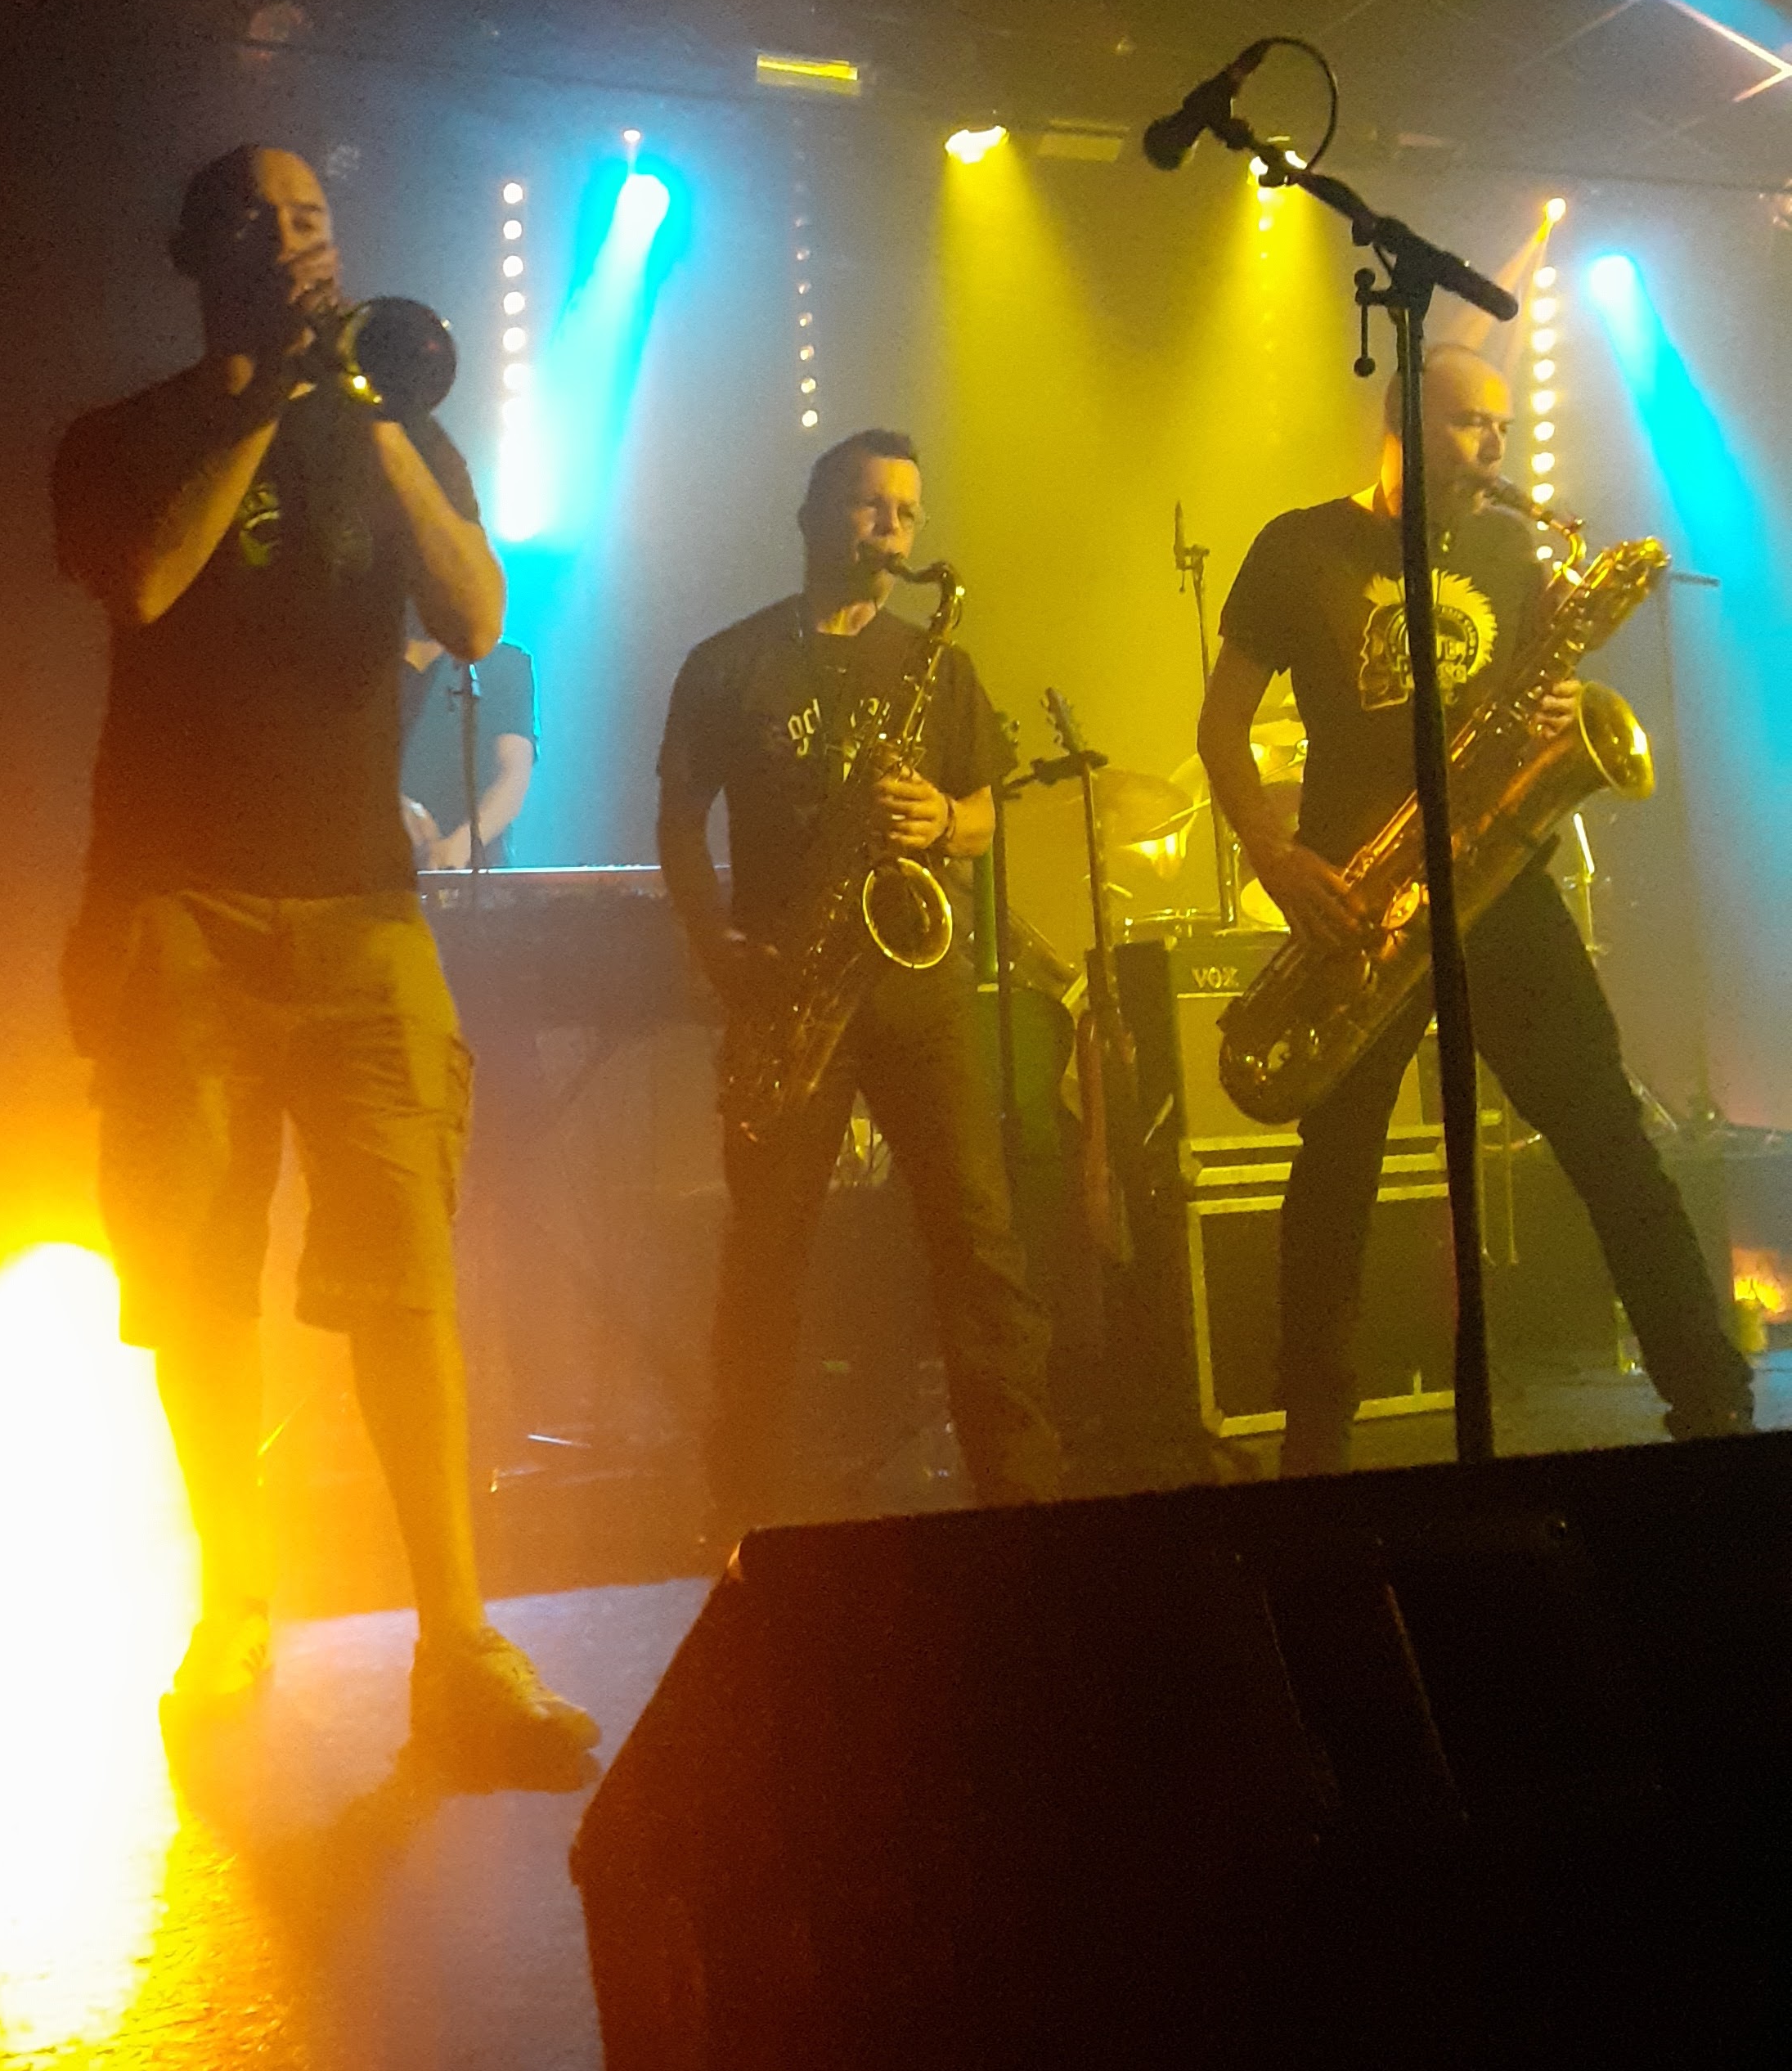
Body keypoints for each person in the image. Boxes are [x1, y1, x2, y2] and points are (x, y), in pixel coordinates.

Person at [53, 144, 598, 1772]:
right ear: (196, 248)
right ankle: (234, 1610)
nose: (298, 242)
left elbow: (478, 613)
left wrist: (368, 420)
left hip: (365, 912)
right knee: (200, 1274)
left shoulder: (389, 426)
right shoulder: (125, 435)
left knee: (407, 1278)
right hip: (181, 906)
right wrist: (266, 407)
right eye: (263, 218)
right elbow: (145, 578)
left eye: (316, 219)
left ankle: (459, 1643)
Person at [1197, 341, 1754, 1475]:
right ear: (1402, 419)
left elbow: (1540, 695)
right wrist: (1275, 856)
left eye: (1500, 427)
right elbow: (1219, 729)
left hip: (1498, 881)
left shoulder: (1508, 548)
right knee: (1336, 1169)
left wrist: (1556, 709)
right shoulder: (1298, 547)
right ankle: (1315, 1439)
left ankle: (1710, 1403)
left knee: (1607, 1135)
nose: (1492, 449)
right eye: (1467, 424)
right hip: (1359, 896)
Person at [656, 429, 1062, 1542]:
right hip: (788, 988)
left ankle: (1024, 1506)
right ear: (811, 515)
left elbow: (986, 815)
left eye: (908, 512)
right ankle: (745, 1513)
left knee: (979, 1241)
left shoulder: (937, 662)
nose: (893, 529)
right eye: (870, 505)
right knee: (767, 1255)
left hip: (915, 987)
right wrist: (716, 945)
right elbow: (679, 826)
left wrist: (944, 818)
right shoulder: (729, 663)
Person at [402, 627, 537, 870]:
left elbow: (514, 774)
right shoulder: (369, 666)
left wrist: (461, 845)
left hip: (477, 871)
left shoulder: (504, 661)